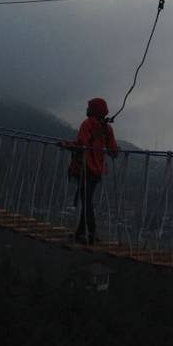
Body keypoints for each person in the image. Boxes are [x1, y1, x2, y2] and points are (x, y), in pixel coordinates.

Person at [63, 97, 119, 245]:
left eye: (89, 107)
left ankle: (90, 232)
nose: (86, 110)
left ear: (94, 110)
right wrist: (116, 151)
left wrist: (67, 145)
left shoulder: (87, 124)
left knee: (85, 200)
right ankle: (82, 233)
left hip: (84, 167)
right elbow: (113, 150)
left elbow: (82, 144)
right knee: (86, 199)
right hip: (96, 171)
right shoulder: (107, 129)